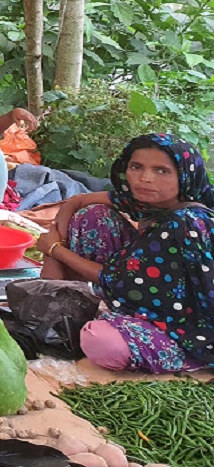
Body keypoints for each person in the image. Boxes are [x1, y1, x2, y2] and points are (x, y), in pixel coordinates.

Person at [36, 134, 214, 373]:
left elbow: (113, 280)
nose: (145, 178)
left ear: (184, 176)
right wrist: (59, 239)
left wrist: (54, 249)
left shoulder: (184, 223)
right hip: (143, 287)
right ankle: (83, 309)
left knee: (101, 341)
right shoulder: (148, 201)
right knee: (93, 216)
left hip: (187, 325)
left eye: (162, 171)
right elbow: (77, 201)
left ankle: (185, 357)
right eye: (136, 167)